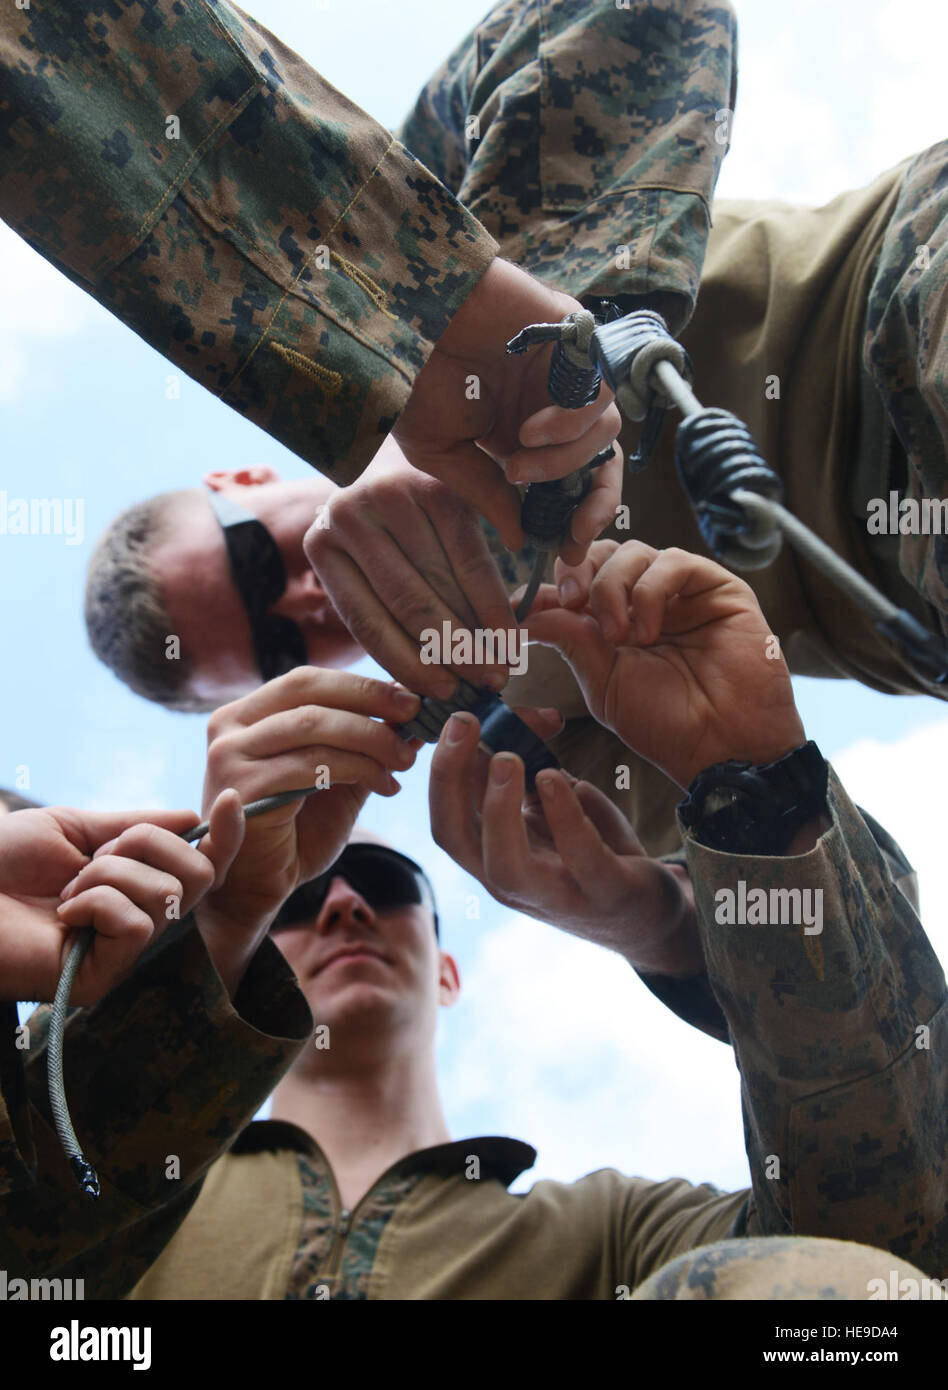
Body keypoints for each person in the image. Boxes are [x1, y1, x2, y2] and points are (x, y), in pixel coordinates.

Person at [3, 548, 944, 1296]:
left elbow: (895, 1244)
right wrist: (221, 921)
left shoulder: (606, 1245)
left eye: (386, 881)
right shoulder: (114, 1200)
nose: (341, 901)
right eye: (296, 902)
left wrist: (743, 816)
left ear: (448, 974)